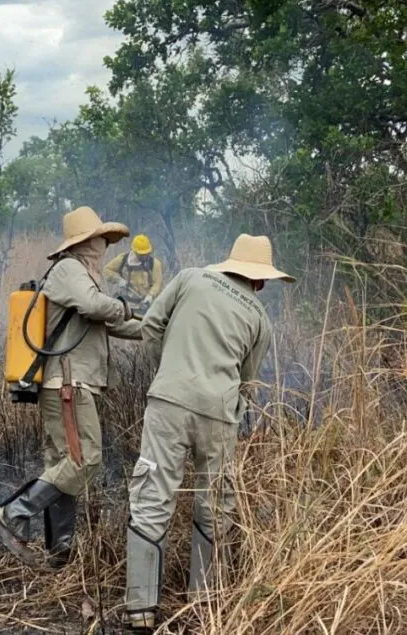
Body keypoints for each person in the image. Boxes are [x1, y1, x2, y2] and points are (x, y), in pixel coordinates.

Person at [124, 234, 293, 632]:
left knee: (152, 494)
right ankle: (203, 602)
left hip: (168, 402)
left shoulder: (189, 278)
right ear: (261, 281)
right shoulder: (260, 320)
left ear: (228, 263)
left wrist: (167, 372)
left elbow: (150, 327)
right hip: (219, 415)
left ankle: (140, 610)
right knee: (215, 503)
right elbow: (248, 386)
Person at [0, 206, 142, 570]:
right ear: (87, 241)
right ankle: (14, 513)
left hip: (72, 383)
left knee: (64, 465)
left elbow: (107, 322)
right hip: (68, 384)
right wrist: (123, 306)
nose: (105, 246)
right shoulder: (69, 269)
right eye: (101, 240)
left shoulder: (82, 275)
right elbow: (96, 307)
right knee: (84, 460)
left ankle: (60, 553)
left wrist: (157, 328)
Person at [103, 234, 164, 313]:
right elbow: (107, 270)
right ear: (135, 252)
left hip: (145, 307)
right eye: (141, 255)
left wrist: (150, 296)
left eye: (146, 253)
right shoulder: (124, 259)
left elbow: (157, 283)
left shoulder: (155, 264)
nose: (144, 256)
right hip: (126, 305)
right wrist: (119, 280)